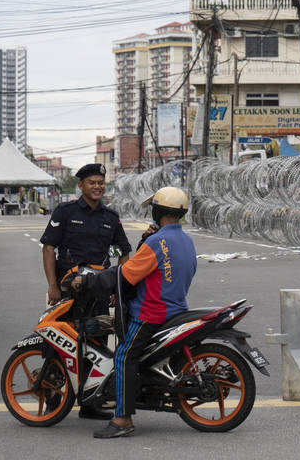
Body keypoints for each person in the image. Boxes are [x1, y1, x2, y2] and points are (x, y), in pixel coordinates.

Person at [92, 186, 196, 439]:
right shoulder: (185, 239)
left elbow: (126, 274)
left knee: (124, 357)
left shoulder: (157, 241)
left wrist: (89, 283)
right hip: (177, 308)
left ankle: (122, 419)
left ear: (159, 211)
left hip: (151, 312)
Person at [40, 163, 132, 421]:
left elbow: (122, 252)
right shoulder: (66, 212)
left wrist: (118, 285)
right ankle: (53, 400)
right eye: (92, 182)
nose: (97, 187)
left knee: (97, 343)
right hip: (67, 292)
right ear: (81, 186)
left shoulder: (110, 218)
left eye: (101, 182)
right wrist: (52, 285)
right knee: (57, 343)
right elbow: (48, 248)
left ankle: (91, 404)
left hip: (98, 292)